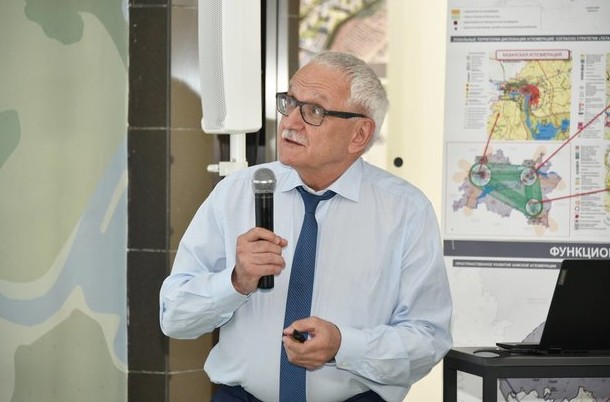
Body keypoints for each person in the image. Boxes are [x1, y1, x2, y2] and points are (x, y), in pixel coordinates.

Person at [159, 51, 452, 402]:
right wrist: (235, 281)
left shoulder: (406, 211)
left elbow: (428, 338)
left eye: (314, 111)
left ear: (359, 135)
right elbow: (174, 317)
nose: (290, 122)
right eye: (290, 103)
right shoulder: (236, 193)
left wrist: (344, 346)